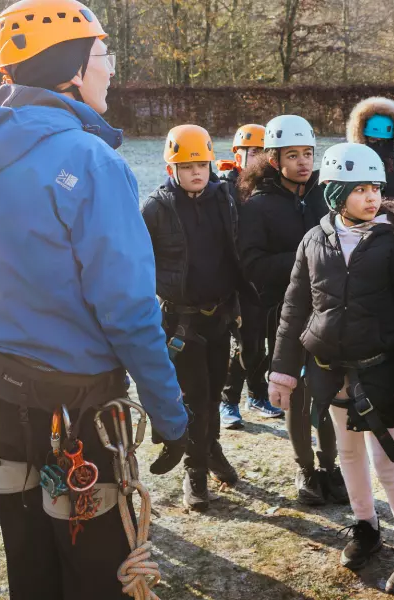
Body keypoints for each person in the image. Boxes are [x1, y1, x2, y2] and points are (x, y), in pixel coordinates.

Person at [0, 1, 189, 597]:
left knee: (28, 550)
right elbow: (128, 308)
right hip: (73, 401)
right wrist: (171, 413)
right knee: (95, 564)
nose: (111, 70)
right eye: (104, 56)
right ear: (73, 70)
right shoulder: (88, 159)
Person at [268, 143, 394, 595]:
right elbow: (295, 306)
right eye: (359, 189)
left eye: (375, 188)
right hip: (329, 370)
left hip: (381, 372)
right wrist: (282, 369)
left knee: (389, 461)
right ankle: (365, 526)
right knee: (348, 452)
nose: (372, 197)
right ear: (336, 194)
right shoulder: (314, 239)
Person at [141, 124, 258, 510]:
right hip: (181, 321)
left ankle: (212, 451)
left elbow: (234, 250)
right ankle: (196, 472)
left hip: (219, 315)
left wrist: (238, 308)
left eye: (203, 165)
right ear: (170, 169)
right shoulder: (156, 209)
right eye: (187, 166)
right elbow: (140, 263)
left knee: (216, 390)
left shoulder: (223, 198)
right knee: (196, 398)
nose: (197, 172)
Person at [238, 114, 346, 505]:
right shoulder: (258, 207)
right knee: (296, 394)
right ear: (274, 159)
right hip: (284, 313)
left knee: (331, 391)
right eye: (293, 155)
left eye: (308, 154)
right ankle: (306, 469)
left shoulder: (325, 196)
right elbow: (251, 265)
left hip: (329, 311)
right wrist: (305, 258)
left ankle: (331, 466)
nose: (303, 162)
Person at [218, 124, 284, 428]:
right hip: (237, 281)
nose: (257, 157)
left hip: (267, 279)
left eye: (262, 152)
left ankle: (257, 395)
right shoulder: (224, 188)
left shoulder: (274, 186)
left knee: (268, 343)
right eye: (251, 151)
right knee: (246, 344)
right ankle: (228, 399)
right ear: (238, 153)